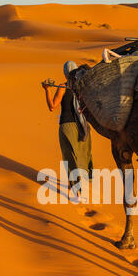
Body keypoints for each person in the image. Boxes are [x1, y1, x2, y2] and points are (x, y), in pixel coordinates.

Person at [42, 61, 93, 196]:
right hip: (83, 126)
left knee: (70, 157)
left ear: (66, 73)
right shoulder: (83, 87)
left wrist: (47, 90)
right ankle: (84, 184)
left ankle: (77, 189)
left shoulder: (63, 87)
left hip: (67, 127)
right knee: (83, 155)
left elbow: (52, 106)